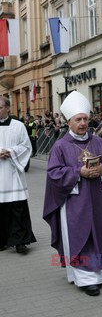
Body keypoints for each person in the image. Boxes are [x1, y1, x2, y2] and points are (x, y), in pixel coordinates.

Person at [43, 91, 102, 297]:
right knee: (82, 237)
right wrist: (79, 172)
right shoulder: (60, 146)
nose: (82, 123)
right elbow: (54, 173)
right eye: (78, 119)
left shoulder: (98, 142)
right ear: (68, 122)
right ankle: (86, 279)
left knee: (100, 231)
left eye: (85, 119)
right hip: (75, 203)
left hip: (98, 198)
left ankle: (101, 269)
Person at [0, 96, 36, 253]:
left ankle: (20, 241)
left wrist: (12, 152)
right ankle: (2, 241)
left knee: (17, 207)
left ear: (8, 108)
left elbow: (27, 147)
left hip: (13, 172)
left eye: (0, 107)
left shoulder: (19, 126)